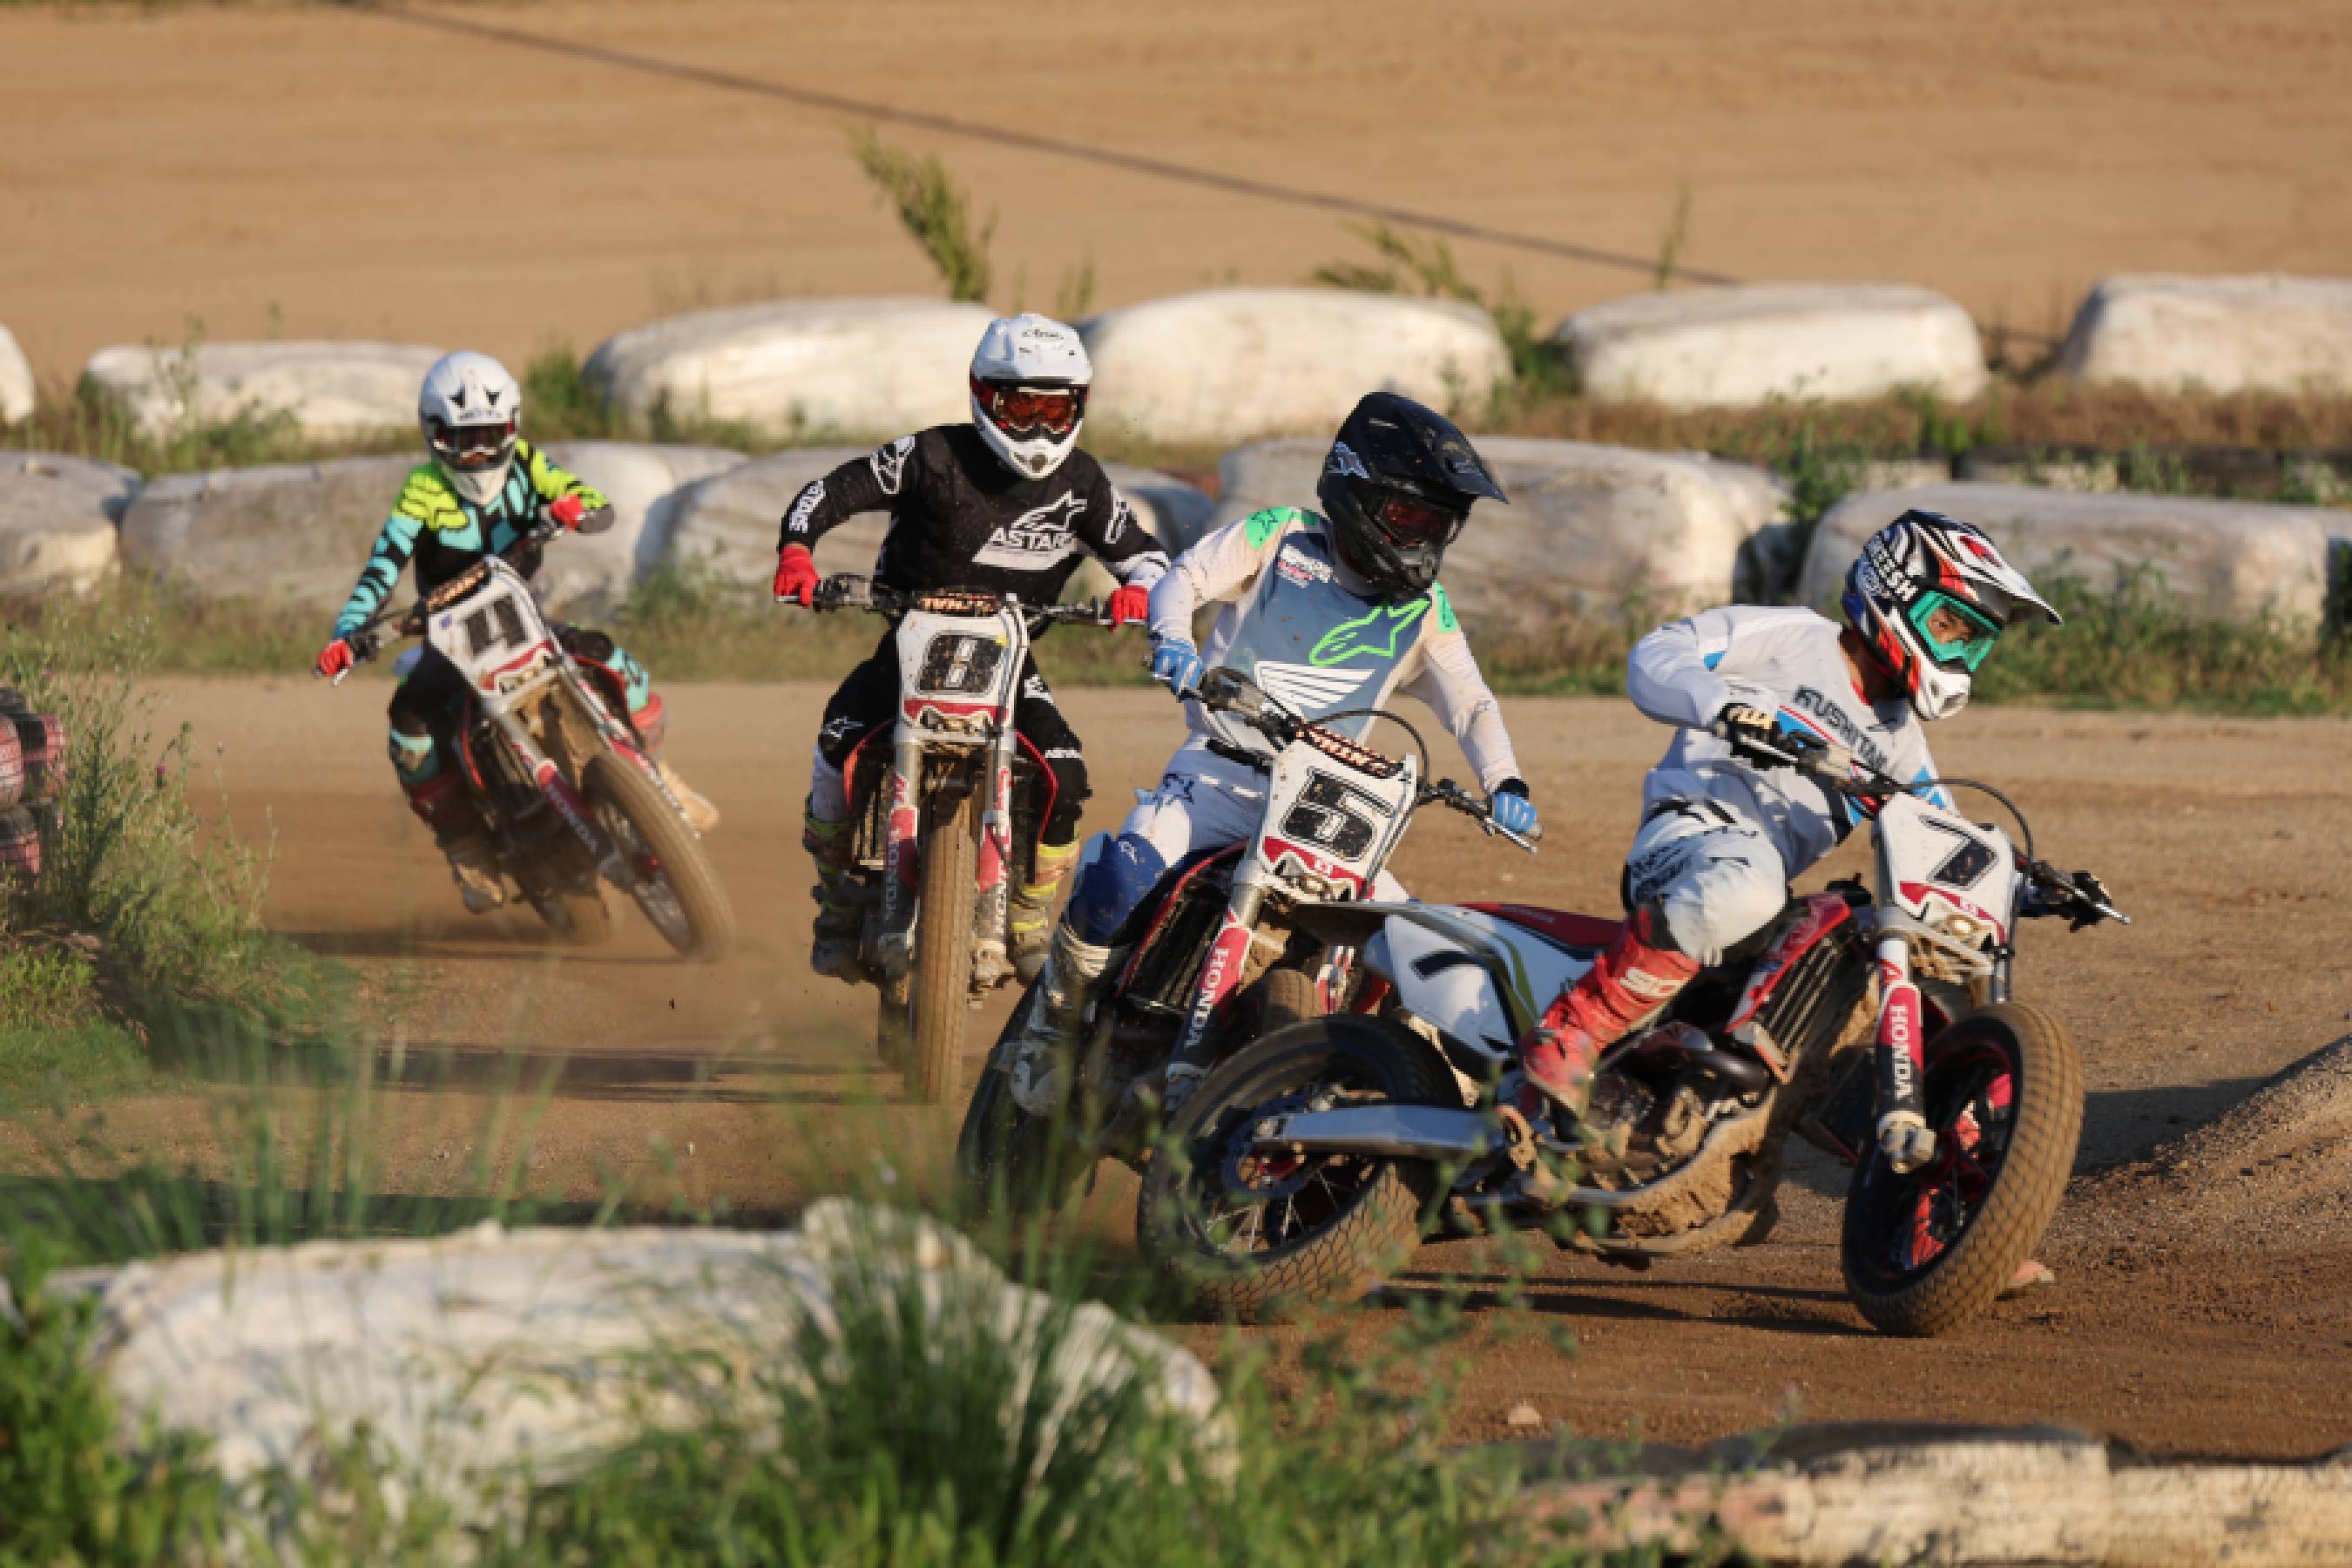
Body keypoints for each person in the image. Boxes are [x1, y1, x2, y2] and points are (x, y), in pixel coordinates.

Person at [1007, 390, 1542, 1115]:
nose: (1423, 540)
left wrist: (1504, 779)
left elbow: (1472, 703)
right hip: (1221, 776)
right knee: (1127, 871)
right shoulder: (1281, 537)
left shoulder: (1425, 611)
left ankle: (1431, 1103)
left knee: (1414, 945)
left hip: (1327, 807)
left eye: (1438, 526)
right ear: (1360, 493)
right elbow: (1186, 578)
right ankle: (1049, 1027)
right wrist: (1171, 639)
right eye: (1411, 518)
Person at [1515, 509, 2060, 1130]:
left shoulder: (1902, 742)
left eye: (1974, 641)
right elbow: (1657, 654)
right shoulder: (1795, 637)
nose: (1960, 651)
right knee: (1750, 881)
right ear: (1896, 590)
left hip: (1764, 899)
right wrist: (1724, 704)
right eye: (1949, 627)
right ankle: (1572, 1028)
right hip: (1688, 839)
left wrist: (2025, 879)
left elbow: (1944, 836)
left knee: (1863, 935)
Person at [773, 313, 1169, 980]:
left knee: (1065, 776)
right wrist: (796, 553)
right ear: (984, 396)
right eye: (1022, 406)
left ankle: (1027, 910)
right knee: (837, 741)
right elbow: (828, 492)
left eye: (1055, 407)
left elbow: (1147, 556)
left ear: (1079, 406)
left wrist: (1141, 591)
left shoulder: (1085, 485)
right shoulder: (932, 455)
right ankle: (839, 898)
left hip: (1009, 659)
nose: (1040, 426)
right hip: (908, 644)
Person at [312, 350, 717, 914]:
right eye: (462, 439)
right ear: (434, 436)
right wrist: (348, 632)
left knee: (610, 659)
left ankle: (656, 777)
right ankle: (465, 845)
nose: (477, 453)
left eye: (489, 435)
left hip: (525, 618)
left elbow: (591, 501)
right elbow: (384, 565)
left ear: (512, 429)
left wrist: (575, 508)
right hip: (449, 640)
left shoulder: (529, 465)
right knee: (409, 729)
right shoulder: (421, 490)